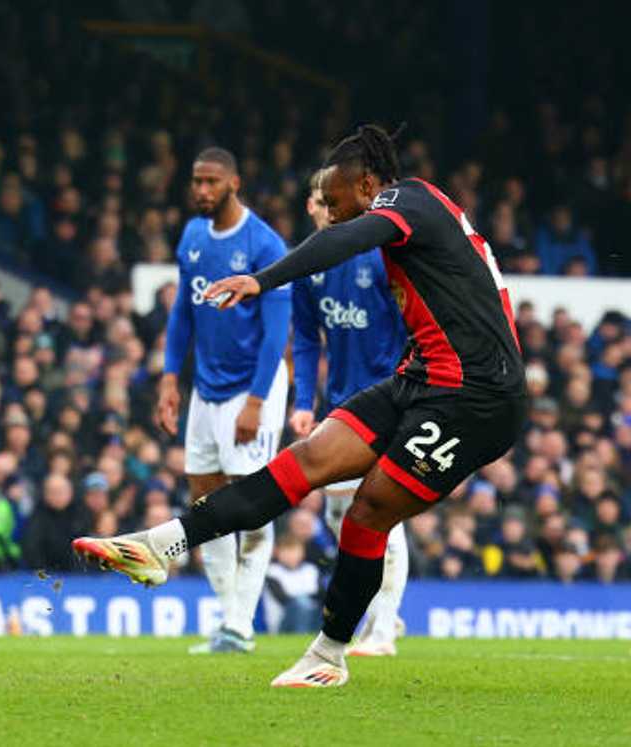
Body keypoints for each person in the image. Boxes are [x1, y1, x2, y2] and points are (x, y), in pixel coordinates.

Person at [74, 125, 525, 688]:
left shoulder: (403, 199)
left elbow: (342, 241)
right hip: (423, 379)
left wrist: (264, 280)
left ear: (366, 185)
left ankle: (330, 654)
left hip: (477, 397)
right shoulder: (411, 215)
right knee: (306, 459)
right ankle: (160, 546)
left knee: (368, 511)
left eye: (336, 203)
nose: (332, 216)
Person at [156, 147, 290, 654]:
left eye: (212, 182)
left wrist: (256, 401)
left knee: (253, 509)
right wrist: (171, 377)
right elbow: (182, 317)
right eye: (197, 181)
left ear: (235, 182)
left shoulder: (264, 245)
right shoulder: (192, 236)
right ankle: (230, 621)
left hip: (250, 388)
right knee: (206, 504)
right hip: (206, 389)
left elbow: (276, 333)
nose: (202, 191)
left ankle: (240, 625)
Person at [289, 170, 409, 657]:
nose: (328, 209)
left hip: (388, 398)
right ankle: (386, 616)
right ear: (311, 206)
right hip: (340, 407)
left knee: (382, 510)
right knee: (342, 516)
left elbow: (409, 321)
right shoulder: (308, 265)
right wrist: (302, 403)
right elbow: (303, 338)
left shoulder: (377, 256)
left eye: (333, 201)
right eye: (321, 202)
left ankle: (381, 631)